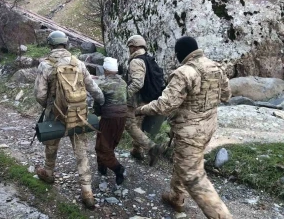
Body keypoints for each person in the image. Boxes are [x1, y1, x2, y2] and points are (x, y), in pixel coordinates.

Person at [135, 36, 232, 218]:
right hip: (209, 126)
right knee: (184, 160)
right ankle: (176, 197)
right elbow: (226, 95)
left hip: (190, 132)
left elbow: (165, 105)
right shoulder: (216, 67)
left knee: (193, 176)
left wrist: (141, 109)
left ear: (180, 53)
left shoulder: (185, 72)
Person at [34, 30, 104, 209]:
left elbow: (40, 94)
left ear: (50, 44)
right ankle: (87, 191)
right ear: (66, 44)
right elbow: (93, 87)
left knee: (51, 145)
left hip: (55, 112)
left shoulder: (45, 65)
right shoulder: (78, 63)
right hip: (78, 112)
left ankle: (49, 172)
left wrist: (49, 106)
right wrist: (101, 102)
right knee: (81, 150)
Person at [125, 35, 163, 165]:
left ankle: (151, 147)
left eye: (130, 47)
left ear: (134, 46)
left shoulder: (136, 61)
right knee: (138, 124)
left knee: (129, 124)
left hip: (137, 100)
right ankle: (137, 150)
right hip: (149, 98)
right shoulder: (149, 59)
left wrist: (125, 95)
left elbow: (137, 83)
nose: (129, 50)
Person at [94, 57, 127, 185]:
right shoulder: (123, 82)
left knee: (102, 147)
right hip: (122, 117)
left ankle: (118, 169)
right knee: (110, 143)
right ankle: (102, 167)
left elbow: (98, 101)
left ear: (105, 69)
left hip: (109, 117)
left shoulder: (103, 83)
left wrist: (96, 113)